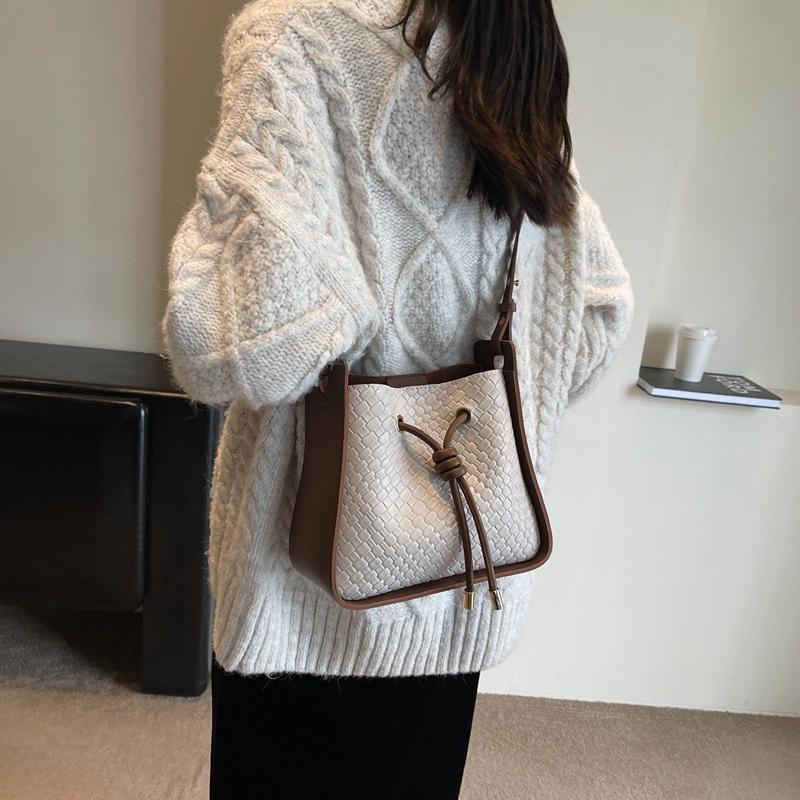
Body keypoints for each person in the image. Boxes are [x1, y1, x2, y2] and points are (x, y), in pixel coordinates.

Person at [162, 0, 634, 797]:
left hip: (306, 600)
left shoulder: (295, 35)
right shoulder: (509, 44)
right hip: (460, 569)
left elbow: (226, 349)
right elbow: (596, 312)